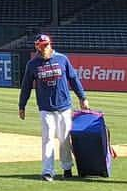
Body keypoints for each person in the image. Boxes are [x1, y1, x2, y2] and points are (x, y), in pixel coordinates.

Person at [18, 34, 90, 181]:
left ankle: (67, 167)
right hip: (45, 107)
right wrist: (22, 105)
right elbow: (26, 86)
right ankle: (47, 171)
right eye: (42, 45)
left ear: (50, 44)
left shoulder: (62, 59)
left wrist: (82, 97)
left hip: (64, 106)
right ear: (37, 47)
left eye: (47, 44)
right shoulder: (32, 65)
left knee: (64, 138)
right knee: (48, 138)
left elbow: (73, 78)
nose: (45, 48)